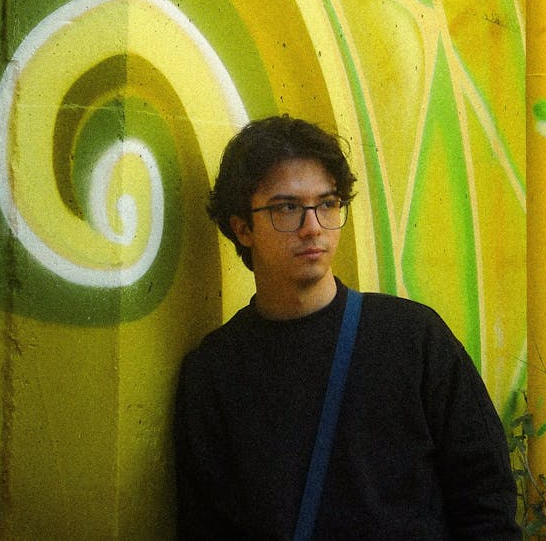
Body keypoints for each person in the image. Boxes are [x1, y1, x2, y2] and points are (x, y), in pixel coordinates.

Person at [174, 115, 521, 540]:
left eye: (327, 204)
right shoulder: (214, 372)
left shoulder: (414, 338)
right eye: (287, 208)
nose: (313, 227)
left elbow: (486, 502)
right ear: (242, 227)